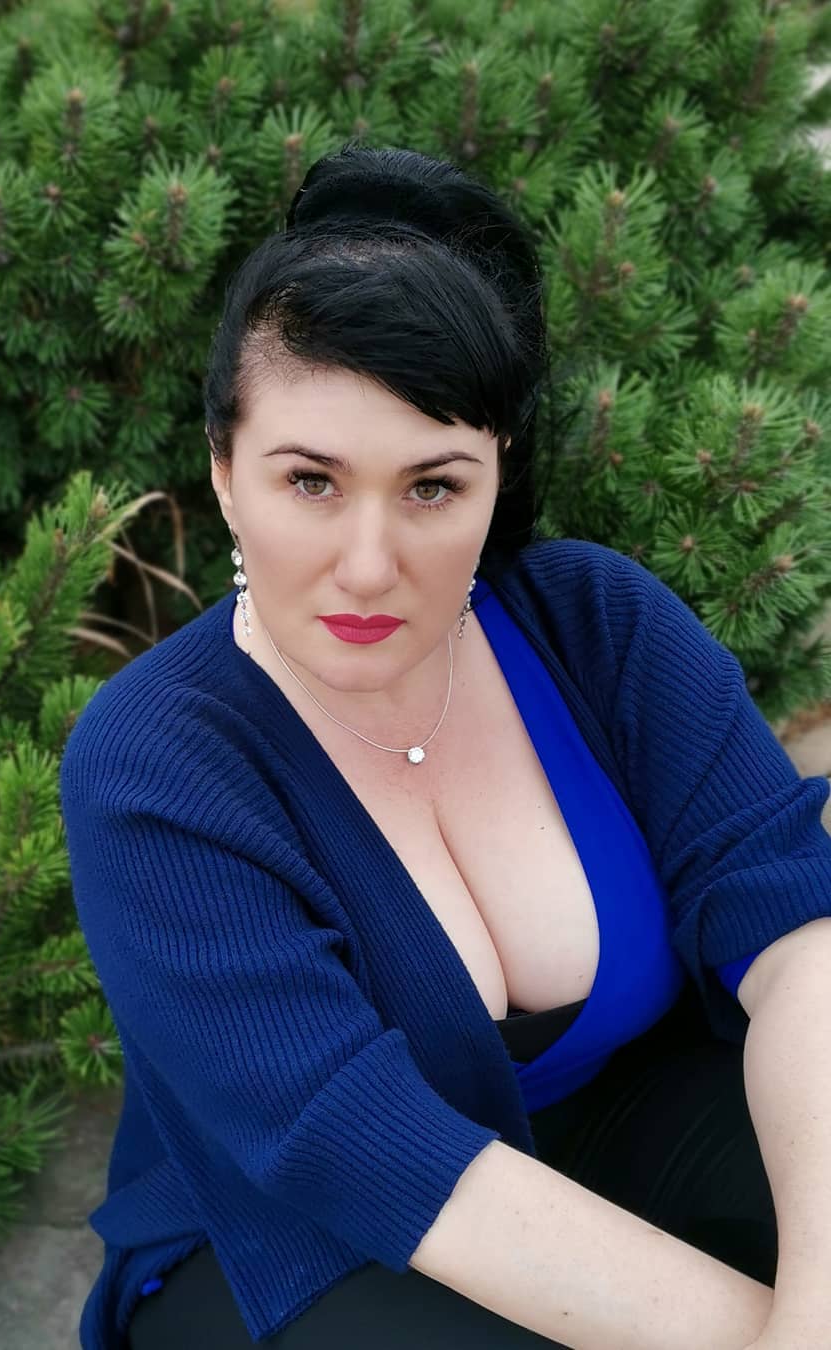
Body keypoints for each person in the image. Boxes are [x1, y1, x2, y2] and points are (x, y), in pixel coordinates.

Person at [58, 144, 831, 1350]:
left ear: (495, 476)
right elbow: (352, 1139)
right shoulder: (154, 762)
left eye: (432, 487)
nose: (370, 566)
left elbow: (792, 933)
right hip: (309, 1231)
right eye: (311, 482)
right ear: (223, 471)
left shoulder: (596, 622)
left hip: (624, 1127)